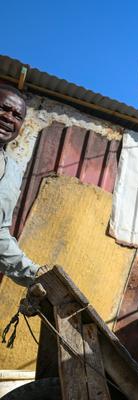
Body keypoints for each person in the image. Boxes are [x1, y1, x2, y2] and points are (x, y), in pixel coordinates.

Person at [0, 84, 46, 286]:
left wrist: (35, 275)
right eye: (3, 108)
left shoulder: (12, 172)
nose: (9, 117)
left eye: (17, 116)